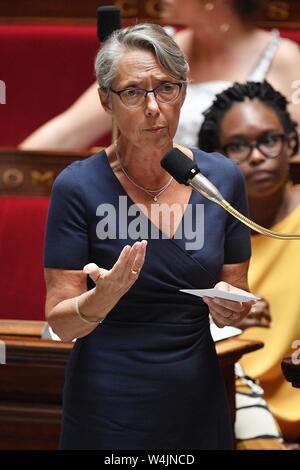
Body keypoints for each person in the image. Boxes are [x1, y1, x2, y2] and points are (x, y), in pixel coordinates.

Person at [44, 23, 255, 450]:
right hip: (108, 402)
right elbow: (60, 322)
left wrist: (230, 309)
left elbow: (236, 296)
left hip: (196, 396)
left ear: (184, 90)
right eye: (134, 92)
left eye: (167, 88)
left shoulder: (221, 180)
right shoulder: (78, 187)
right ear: (106, 99)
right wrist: (101, 298)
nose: (154, 107)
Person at [19, 0, 300, 150]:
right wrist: (11, 173)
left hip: (247, 211)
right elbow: (67, 132)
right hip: (153, 206)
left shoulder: (284, 58)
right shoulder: (148, 51)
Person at [198, 80, 300, 444]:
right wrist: (216, 317)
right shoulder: (196, 231)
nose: (257, 156)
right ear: (216, 158)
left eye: (269, 140)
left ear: (291, 143)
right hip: (223, 415)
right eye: (239, 146)